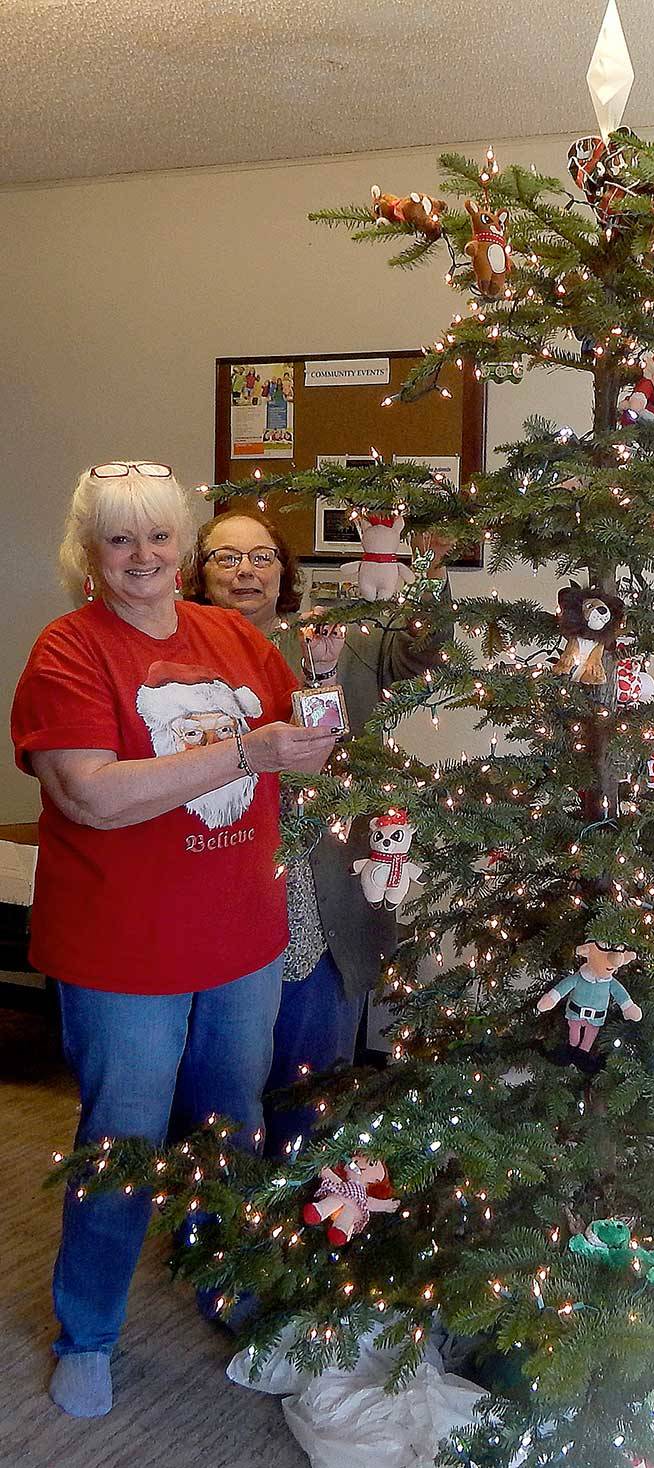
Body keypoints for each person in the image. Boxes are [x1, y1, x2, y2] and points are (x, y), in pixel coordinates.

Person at [10, 463, 338, 1418]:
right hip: (125, 951)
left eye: (158, 537)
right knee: (123, 1136)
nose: (143, 557)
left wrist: (321, 709)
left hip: (243, 936)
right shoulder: (68, 652)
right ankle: (90, 1333)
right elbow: (91, 795)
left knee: (231, 1121)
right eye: (120, 540)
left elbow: (299, 730)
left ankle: (227, 1283)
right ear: (90, 553)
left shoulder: (231, 634)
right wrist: (249, 750)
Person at [187, 507, 452, 1152]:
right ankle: (219, 1221)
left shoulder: (336, 638)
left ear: (286, 570)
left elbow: (420, 648)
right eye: (226, 557)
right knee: (219, 1076)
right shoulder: (178, 653)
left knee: (312, 1068)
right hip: (215, 877)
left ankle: (302, 1216)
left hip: (321, 883)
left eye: (261, 557)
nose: (245, 571)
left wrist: (432, 569)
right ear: (200, 572)